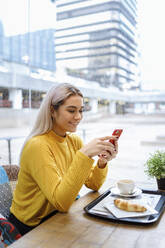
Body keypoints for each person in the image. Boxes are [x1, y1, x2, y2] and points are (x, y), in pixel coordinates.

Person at [8, 83, 118, 235]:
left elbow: (93, 184)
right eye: (71, 110)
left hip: (58, 217)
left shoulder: (74, 141)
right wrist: (84, 155)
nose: (78, 117)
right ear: (52, 111)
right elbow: (61, 202)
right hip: (31, 226)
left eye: (81, 110)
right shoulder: (37, 145)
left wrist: (102, 162)